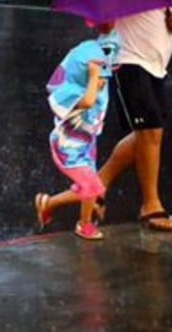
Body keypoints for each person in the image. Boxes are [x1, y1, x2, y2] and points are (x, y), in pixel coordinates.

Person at [96, 0, 172, 233]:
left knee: (150, 133)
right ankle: (151, 206)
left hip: (158, 63)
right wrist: (106, 21)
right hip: (127, 58)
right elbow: (103, 24)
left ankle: (97, 184)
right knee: (151, 131)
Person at [34, 21, 121, 240]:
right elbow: (89, 101)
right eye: (101, 71)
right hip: (68, 145)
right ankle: (84, 225)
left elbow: (110, 48)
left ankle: (49, 204)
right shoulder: (71, 92)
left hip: (86, 140)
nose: (104, 77)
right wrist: (94, 76)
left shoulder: (98, 65)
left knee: (93, 187)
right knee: (91, 186)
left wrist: (101, 69)